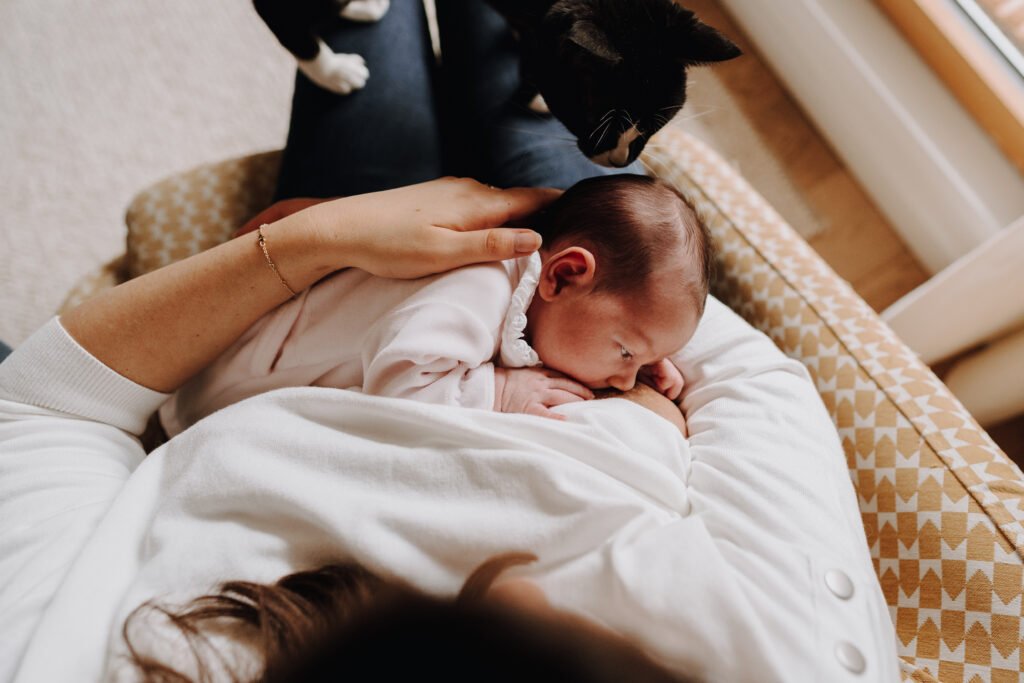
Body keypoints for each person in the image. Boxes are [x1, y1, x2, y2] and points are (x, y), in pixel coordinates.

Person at [0, 2, 900, 682]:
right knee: (544, 96)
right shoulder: (783, 654)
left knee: (378, 41)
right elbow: (753, 380)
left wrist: (317, 239)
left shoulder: (112, 649)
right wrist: (651, 369)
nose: (516, 587)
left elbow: (40, 404)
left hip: (316, 333)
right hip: (522, 266)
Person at [160, 174, 705, 436]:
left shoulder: (544, 307)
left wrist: (645, 350)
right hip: (222, 392)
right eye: (625, 351)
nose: (623, 379)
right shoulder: (479, 288)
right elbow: (401, 383)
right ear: (562, 276)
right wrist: (500, 391)